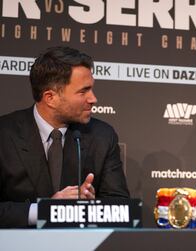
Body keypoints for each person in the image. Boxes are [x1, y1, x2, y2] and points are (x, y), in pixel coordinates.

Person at [0, 46, 130, 228]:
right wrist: (45, 211)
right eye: (83, 91)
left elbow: (120, 207)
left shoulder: (102, 136)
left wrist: (92, 208)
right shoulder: (5, 134)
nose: (93, 99)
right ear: (50, 97)